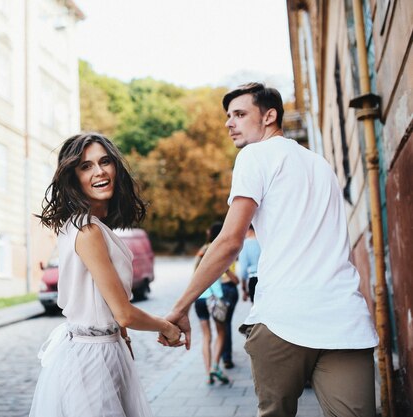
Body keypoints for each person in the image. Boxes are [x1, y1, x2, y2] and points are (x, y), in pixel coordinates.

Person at [161, 83, 378, 417]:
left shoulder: (254, 155)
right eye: (227, 116)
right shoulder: (321, 165)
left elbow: (230, 241)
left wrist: (180, 307)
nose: (228, 123)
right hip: (344, 318)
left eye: (239, 114)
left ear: (269, 115)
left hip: (283, 319)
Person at [29, 132, 182, 417]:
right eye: (86, 166)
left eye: (105, 162)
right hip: (92, 359)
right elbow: (123, 312)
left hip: (103, 350)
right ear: (73, 177)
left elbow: (109, 305)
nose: (99, 172)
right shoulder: (88, 231)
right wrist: (167, 327)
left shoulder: (83, 225)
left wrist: (123, 340)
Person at [193, 222, 231, 384]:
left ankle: (208, 373)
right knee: (221, 333)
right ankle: (216, 366)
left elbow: (195, 274)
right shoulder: (219, 251)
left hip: (200, 298)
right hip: (214, 298)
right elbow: (221, 277)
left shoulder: (202, 251)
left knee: (206, 336)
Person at [236, 225, 260, 303]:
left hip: (253, 278)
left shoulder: (245, 245)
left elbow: (243, 269)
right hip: (267, 277)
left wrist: (244, 288)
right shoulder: (263, 241)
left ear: (248, 230)